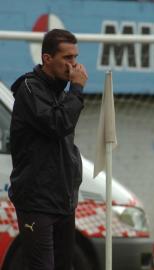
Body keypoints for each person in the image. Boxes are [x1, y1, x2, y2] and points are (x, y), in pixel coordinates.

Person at [8, 29, 88, 270]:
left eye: (75, 57)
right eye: (67, 58)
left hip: (63, 200)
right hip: (37, 202)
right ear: (47, 59)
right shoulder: (30, 90)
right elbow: (57, 124)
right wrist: (76, 92)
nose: (73, 65)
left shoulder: (60, 92)